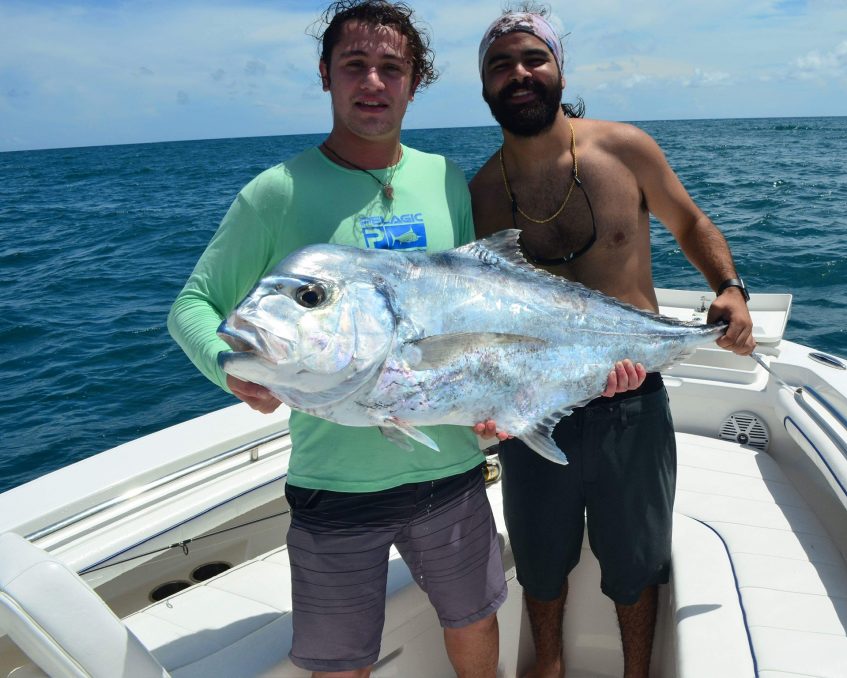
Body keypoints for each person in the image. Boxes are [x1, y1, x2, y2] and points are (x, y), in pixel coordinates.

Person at [167, 2, 508, 676]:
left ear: (414, 83)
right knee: (341, 662)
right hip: (334, 480)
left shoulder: (444, 179)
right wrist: (227, 367)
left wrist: (495, 393)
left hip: (451, 467)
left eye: (391, 68)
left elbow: (473, 310)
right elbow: (193, 306)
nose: (373, 83)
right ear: (326, 74)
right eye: (355, 65)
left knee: (475, 619)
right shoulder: (276, 193)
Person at [470, 8, 756, 678]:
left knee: (637, 566)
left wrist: (730, 287)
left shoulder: (625, 150)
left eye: (533, 58)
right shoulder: (480, 193)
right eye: (501, 64)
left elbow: (689, 222)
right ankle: (548, 668)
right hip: (536, 406)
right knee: (539, 565)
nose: (519, 73)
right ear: (484, 87)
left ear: (559, 70)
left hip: (634, 401)